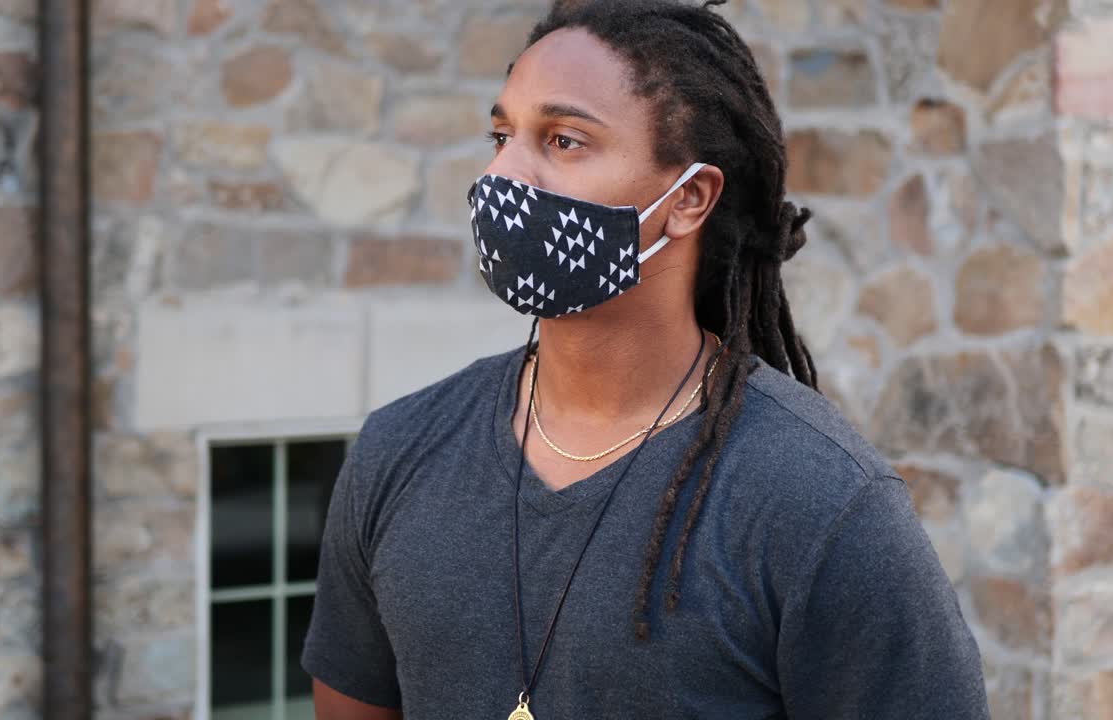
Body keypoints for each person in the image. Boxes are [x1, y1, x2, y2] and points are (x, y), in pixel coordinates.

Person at [301, 1, 991, 718]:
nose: (505, 176)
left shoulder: (821, 504)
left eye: (563, 140)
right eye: (502, 134)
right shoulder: (398, 452)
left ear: (687, 199)